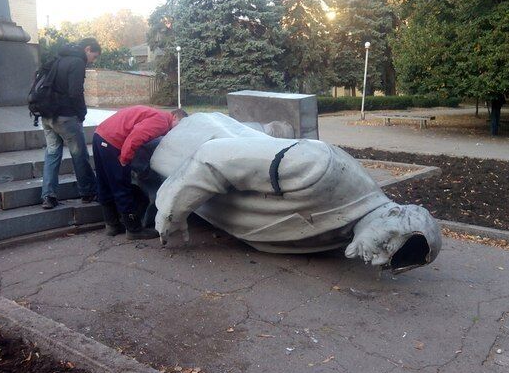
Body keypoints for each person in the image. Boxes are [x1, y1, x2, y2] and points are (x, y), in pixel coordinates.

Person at [150, 112, 442, 275]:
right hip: (176, 150)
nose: (378, 261)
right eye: (388, 246)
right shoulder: (320, 167)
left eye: (388, 262)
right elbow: (214, 155)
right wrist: (173, 208)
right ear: (392, 212)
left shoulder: (350, 227)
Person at [93, 105, 187, 239]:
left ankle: (112, 225)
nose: (179, 129)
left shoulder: (155, 114)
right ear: (175, 116)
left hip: (100, 136)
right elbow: (136, 137)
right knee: (121, 187)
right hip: (112, 142)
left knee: (104, 183)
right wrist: (125, 159)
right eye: (180, 124)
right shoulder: (161, 120)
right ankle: (133, 230)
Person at [40, 38, 101, 209]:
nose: (92, 61)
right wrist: (82, 113)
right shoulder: (77, 62)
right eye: (93, 57)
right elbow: (75, 92)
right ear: (87, 49)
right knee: (79, 154)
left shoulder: (58, 58)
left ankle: (48, 196)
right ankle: (88, 192)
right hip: (66, 116)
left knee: (52, 154)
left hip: (47, 115)